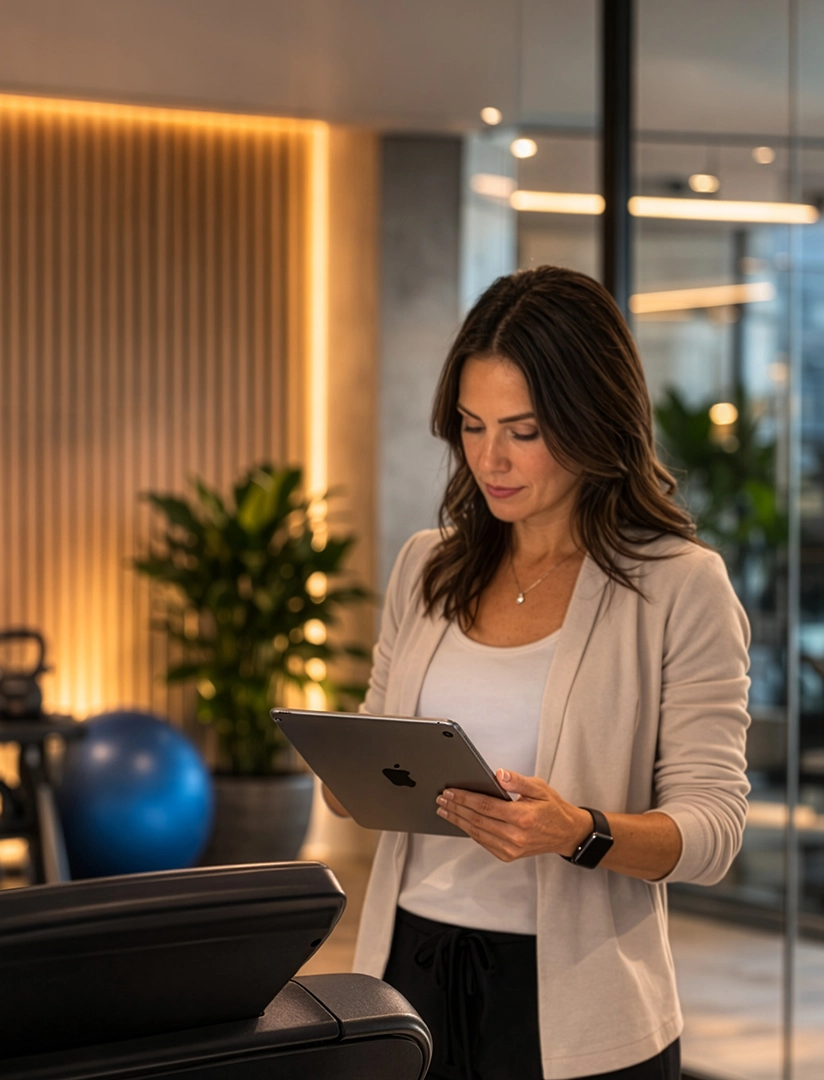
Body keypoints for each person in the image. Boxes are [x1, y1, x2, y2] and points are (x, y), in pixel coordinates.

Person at [326, 266, 750, 1080]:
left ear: (594, 420)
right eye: (472, 425)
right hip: (408, 970)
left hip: (577, 1003)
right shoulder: (427, 566)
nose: (492, 459)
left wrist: (580, 832)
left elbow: (714, 829)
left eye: (523, 430)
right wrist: (350, 775)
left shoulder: (679, 585)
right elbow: (372, 745)